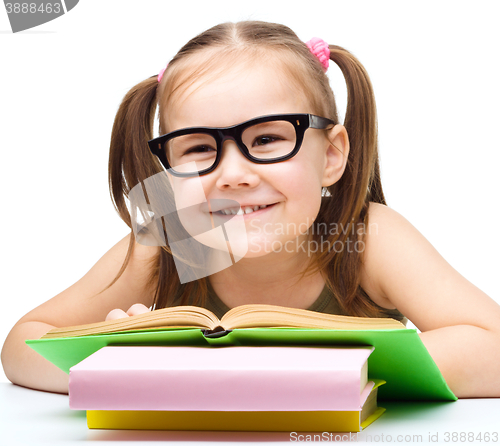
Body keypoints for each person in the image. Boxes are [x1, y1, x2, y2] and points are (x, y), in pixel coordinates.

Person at [2, 21, 500, 398]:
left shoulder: (367, 237)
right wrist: (121, 361)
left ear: (331, 155)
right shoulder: (172, 243)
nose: (234, 174)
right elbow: (23, 345)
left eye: (266, 139)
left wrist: (302, 373)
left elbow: (493, 347)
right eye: (197, 148)